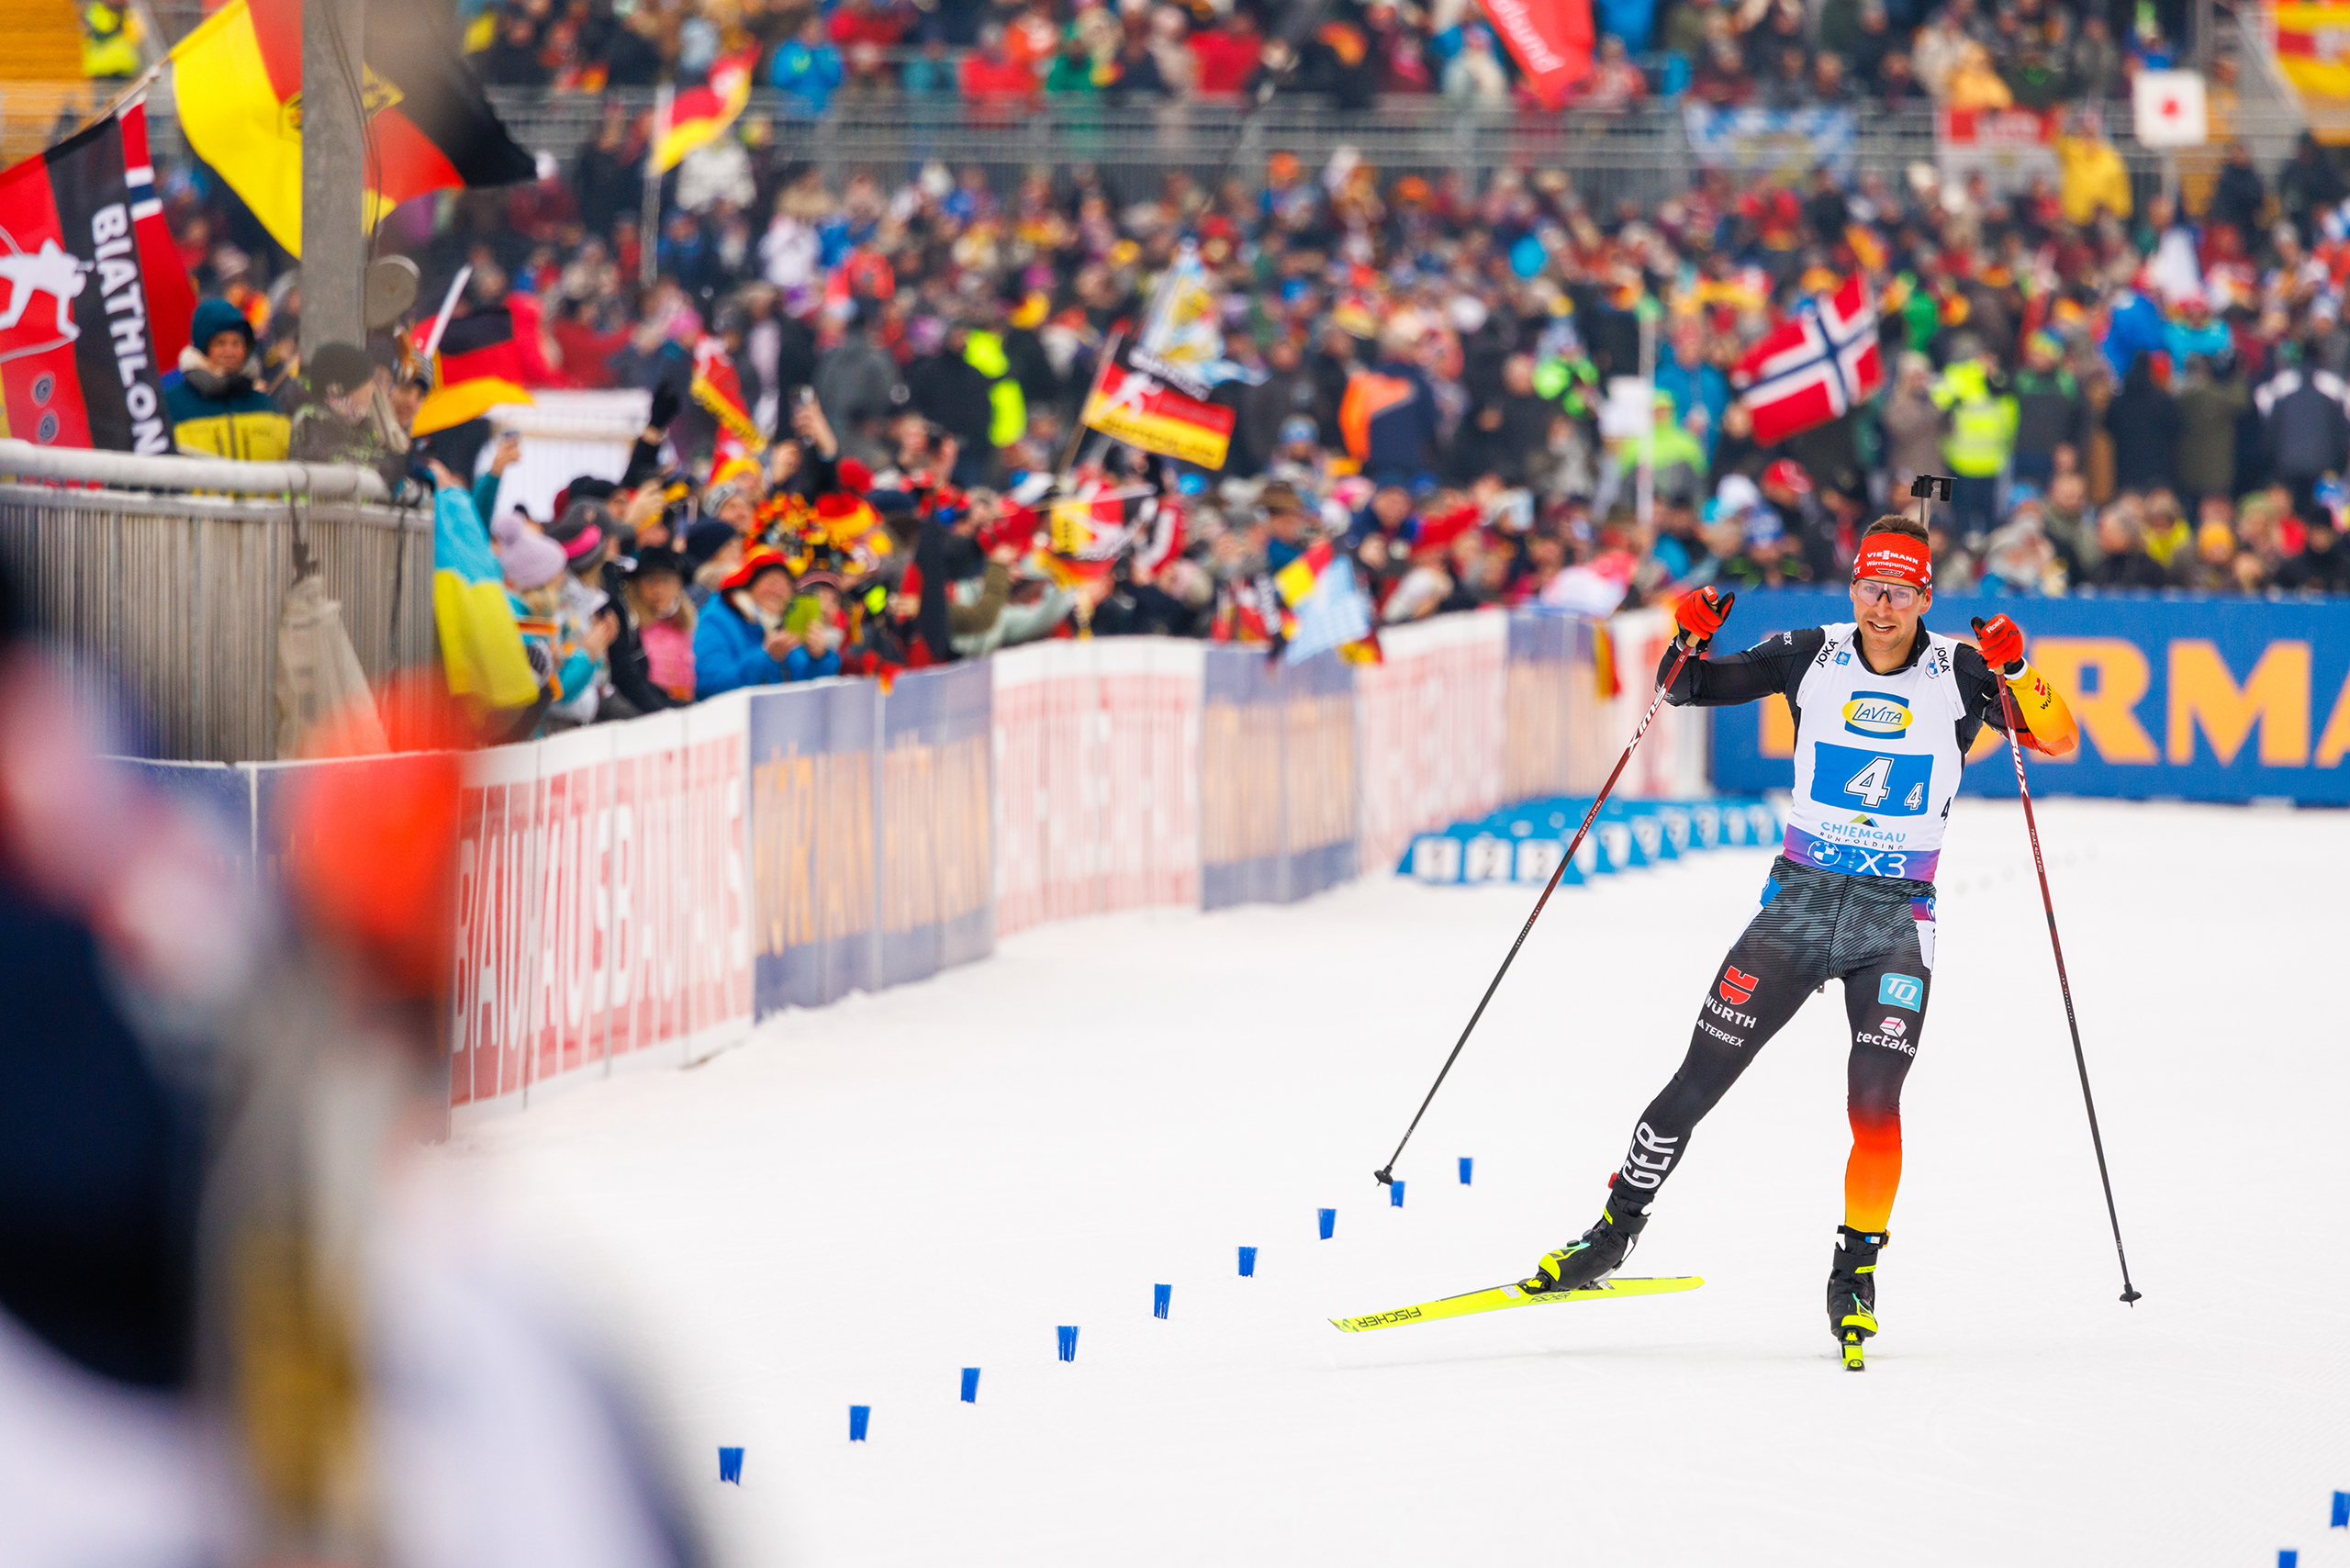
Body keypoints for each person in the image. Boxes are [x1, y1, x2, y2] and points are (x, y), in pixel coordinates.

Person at [1520, 511, 2080, 1369]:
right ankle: (1611, 1234)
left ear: (1924, 596)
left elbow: (2059, 738)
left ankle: (1854, 1272)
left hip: (1896, 916)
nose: (1881, 607)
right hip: (1799, 905)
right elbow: (1686, 687)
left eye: (1898, 592)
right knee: (1695, 1083)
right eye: (1869, 588)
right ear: (1852, 586)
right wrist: (1685, 637)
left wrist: (2018, 669)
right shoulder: (1807, 652)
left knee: (1876, 1106)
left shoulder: (1958, 672)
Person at [162, 297, 291, 461]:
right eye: (220, 343)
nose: (230, 352)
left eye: (237, 343)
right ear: (203, 348)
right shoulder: (171, 406)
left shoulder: (268, 407)